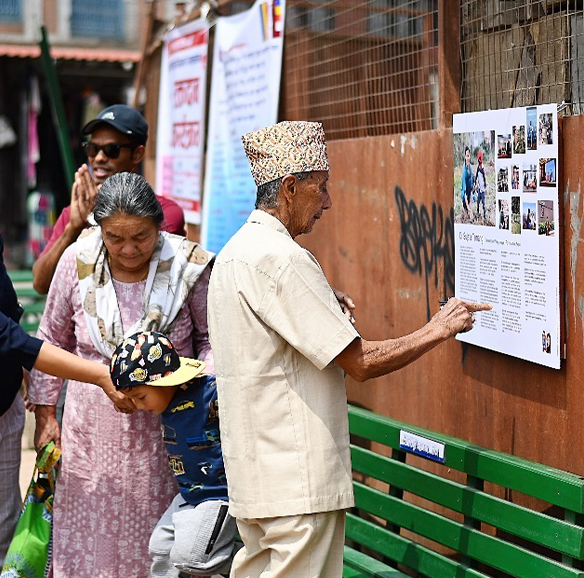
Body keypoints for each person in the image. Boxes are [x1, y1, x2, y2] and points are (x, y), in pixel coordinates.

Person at [206, 121, 490, 578]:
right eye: (321, 189)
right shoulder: (282, 259)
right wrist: (437, 329)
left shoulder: (236, 252)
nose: (328, 202)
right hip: (294, 485)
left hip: (256, 481)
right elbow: (359, 362)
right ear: (290, 187)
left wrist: (321, 301)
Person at [0, 148, 128, 577]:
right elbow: (11, 337)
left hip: (3, 413)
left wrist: (31, 397)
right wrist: (99, 375)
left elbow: (12, 311)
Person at [29, 172, 213, 578]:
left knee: (153, 538)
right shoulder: (76, 262)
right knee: (89, 542)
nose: (129, 249)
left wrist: (195, 394)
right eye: (115, 238)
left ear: (159, 227)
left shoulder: (187, 268)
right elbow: (51, 337)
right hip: (88, 433)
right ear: (99, 228)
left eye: (141, 237)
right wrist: (45, 417)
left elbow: (211, 340)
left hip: (167, 433)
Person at [110, 331, 238, 578]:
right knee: (161, 550)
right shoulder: (167, 404)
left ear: (162, 382)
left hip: (218, 495)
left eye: (140, 397)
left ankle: (256, 559)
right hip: (189, 496)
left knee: (192, 559)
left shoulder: (211, 394)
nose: (139, 406)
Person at [32, 105, 186, 294]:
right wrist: (72, 229)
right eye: (93, 148)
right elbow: (41, 284)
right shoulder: (76, 213)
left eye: (111, 150)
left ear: (137, 154)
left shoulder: (165, 212)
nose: (99, 158)